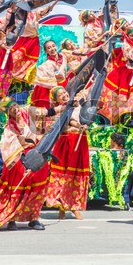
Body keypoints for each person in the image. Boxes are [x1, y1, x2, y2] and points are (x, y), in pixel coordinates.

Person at [0, 98, 50, 230]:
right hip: (19, 160)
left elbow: (46, 113)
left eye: (15, 105)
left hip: (36, 155)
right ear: (8, 113)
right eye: (11, 109)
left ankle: (34, 217)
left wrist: (65, 108)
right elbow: (9, 146)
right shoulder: (9, 128)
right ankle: (11, 218)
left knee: (37, 188)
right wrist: (24, 156)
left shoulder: (27, 113)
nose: (15, 109)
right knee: (16, 190)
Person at [45, 87, 90, 220]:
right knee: (63, 174)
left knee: (76, 174)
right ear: (56, 99)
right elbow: (66, 122)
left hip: (80, 140)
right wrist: (78, 126)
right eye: (60, 95)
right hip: (65, 142)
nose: (64, 95)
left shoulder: (78, 102)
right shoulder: (60, 109)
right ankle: (61, 206)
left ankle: (75, 206)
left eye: (64, 92)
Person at [100, 28, 133, 123]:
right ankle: (122, 117)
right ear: (127, 36)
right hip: (127, 74)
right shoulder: (125, 45)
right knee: (123, 96)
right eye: (132, 35)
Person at [29, 40, 68, 133]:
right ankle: (44, 133)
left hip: (62, 85)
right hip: (49, 89)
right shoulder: (47, 64)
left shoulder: (63, 57)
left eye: (53, 46)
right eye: (49, 48)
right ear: (46, 51)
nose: (52, 49)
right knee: (47, 112)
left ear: (56, 46)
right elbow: (51, 80)